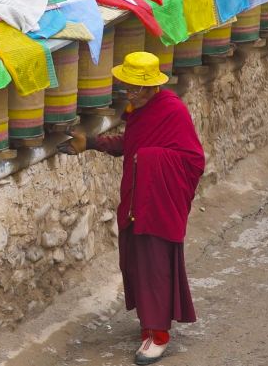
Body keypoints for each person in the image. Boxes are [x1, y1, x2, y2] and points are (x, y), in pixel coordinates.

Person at [58, 52, 205, 365]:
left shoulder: (171, 110)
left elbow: (193, 160)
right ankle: (147, 325)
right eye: (128, 87)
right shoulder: (140, 110)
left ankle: (159, 335)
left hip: (160, 201)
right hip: (139, 197)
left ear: (153, 88)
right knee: (136, 263)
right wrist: (93, 143)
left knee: (155, 266)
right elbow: (131, 144)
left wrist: (150, 160)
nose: (131, 94)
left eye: (138, 89)